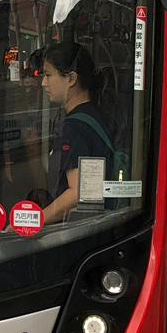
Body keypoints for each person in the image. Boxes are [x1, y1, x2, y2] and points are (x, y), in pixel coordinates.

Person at [39, 41, 117, 227]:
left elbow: (78, 193)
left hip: (81, 229)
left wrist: (35, 221)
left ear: (71, 78)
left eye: (48, 75)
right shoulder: (97, 115)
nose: (43, 83)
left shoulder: (73, 127)